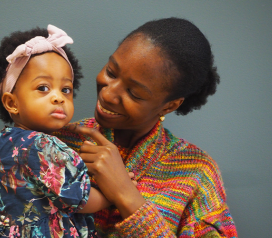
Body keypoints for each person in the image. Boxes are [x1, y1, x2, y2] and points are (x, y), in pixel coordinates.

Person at [54, 18, 238, 237]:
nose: (108, 94)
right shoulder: (56, 141)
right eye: (111, 72)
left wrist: (127, 196)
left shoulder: (197, 174)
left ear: (170, 105)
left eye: (134, 93)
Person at [0, 24, 110, 238]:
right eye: (43, 88)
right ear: (11, 102)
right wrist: (110, 198)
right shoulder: (45, 146)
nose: (58, 97)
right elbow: (78, 200)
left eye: (66, 89)